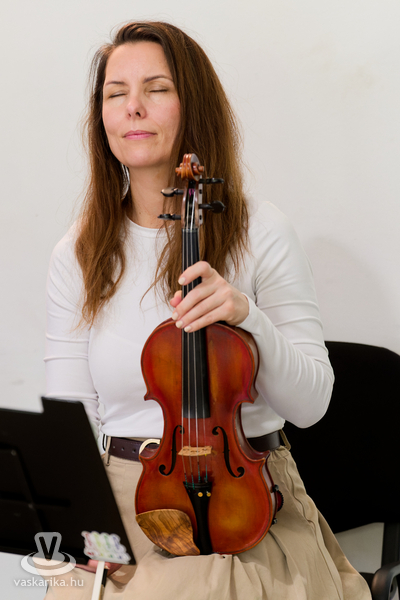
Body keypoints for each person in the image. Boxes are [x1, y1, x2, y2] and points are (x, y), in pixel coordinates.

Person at [42, 20, 371, 600]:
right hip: (122, 502)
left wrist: (247, 317)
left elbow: (312, 405)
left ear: (192, 105)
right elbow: (70, 416)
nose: (133, 107)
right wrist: (93, 536)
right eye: (116, 93)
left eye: (157, 89)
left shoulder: (260, 229)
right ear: (102, 117)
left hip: (246, 503)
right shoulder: (79, 249)